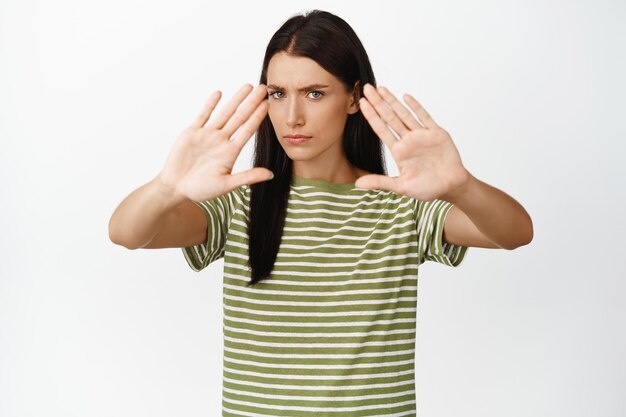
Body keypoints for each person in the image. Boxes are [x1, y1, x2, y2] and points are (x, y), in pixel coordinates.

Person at [109, 9, 533, 416]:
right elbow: (126, 233)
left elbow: (515, 232)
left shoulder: (399, 205)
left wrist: (462, 185)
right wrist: (167, 187)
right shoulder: (240, 203)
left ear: (352, 97)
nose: (292, 116)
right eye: (278, 94)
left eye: (314, 93)